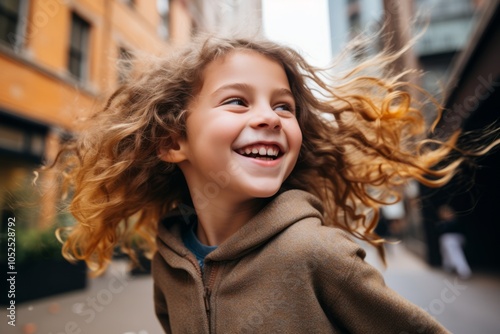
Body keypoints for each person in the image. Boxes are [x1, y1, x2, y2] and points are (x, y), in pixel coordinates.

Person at [46, 34, 498, 333]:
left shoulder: (316, 254)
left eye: (284, 107)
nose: (269, 117)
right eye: (237, 101)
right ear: (172, 141)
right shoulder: (170, 260)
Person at [436, 204, 472, 279]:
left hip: (453, 239)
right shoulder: (442, 223)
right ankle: (450, 269)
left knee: (456, 255)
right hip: (446, 239)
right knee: (446, 255)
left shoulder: (454, 222)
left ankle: (464, 271)